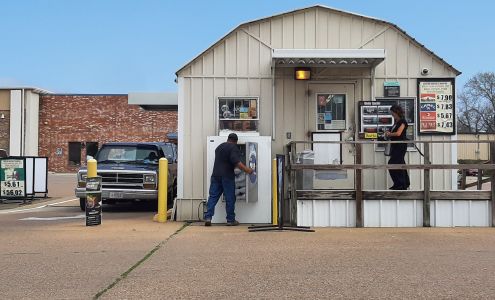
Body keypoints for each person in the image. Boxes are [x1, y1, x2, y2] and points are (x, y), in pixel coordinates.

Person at [204, 133, 253, 226]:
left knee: (213, 197)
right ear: (235, 141)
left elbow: (224, 160)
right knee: (230, 198)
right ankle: (230, 220)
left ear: (228, 139)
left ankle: (208, 217)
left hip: (215, 175)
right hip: (227, 176)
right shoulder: (233, 147)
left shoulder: (219, 147)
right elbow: (237, 162)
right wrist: (247, 170)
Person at [385, 104, 410, 190]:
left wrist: (390, 134)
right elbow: (394, 132)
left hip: (400, 145)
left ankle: (399, 183)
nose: (392, 115)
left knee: (392, 163)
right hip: (395, 146)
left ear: (396, 112)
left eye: (392, 113)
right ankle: (404, 183)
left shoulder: (402, 122)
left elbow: (398, 133)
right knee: (400, 163)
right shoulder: (395, 123)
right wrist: (388, 132)